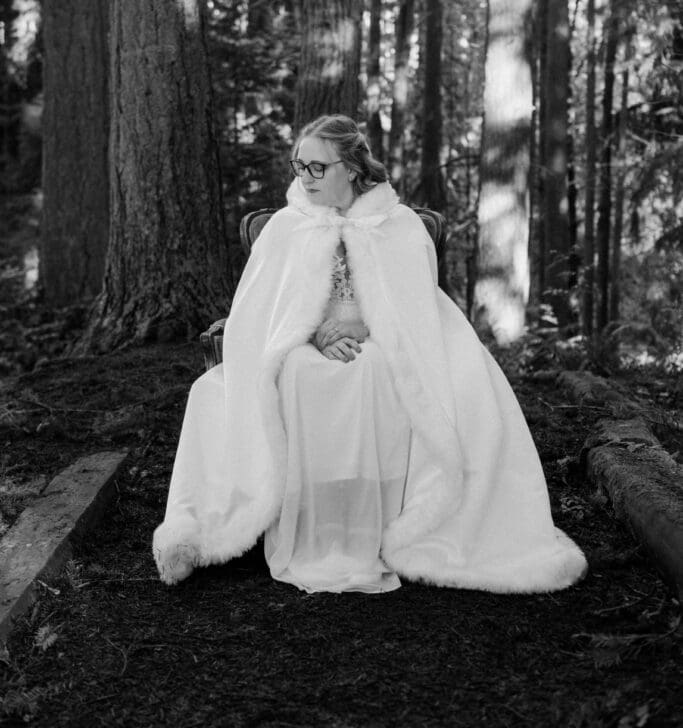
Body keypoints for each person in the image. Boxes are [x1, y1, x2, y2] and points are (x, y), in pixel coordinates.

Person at [153, 114, 587, 594]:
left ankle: (376, 524)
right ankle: (222, 531)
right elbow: (263, 306)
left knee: (377, 370)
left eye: (317, 167)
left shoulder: (396, 224)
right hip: (304, 343)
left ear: (353, 168)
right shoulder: (286, 226)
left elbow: (413, 303)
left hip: (384, 340)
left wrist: (362, 328)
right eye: (299, 166)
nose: (304, 177)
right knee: (287, 374)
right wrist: (315, 334)